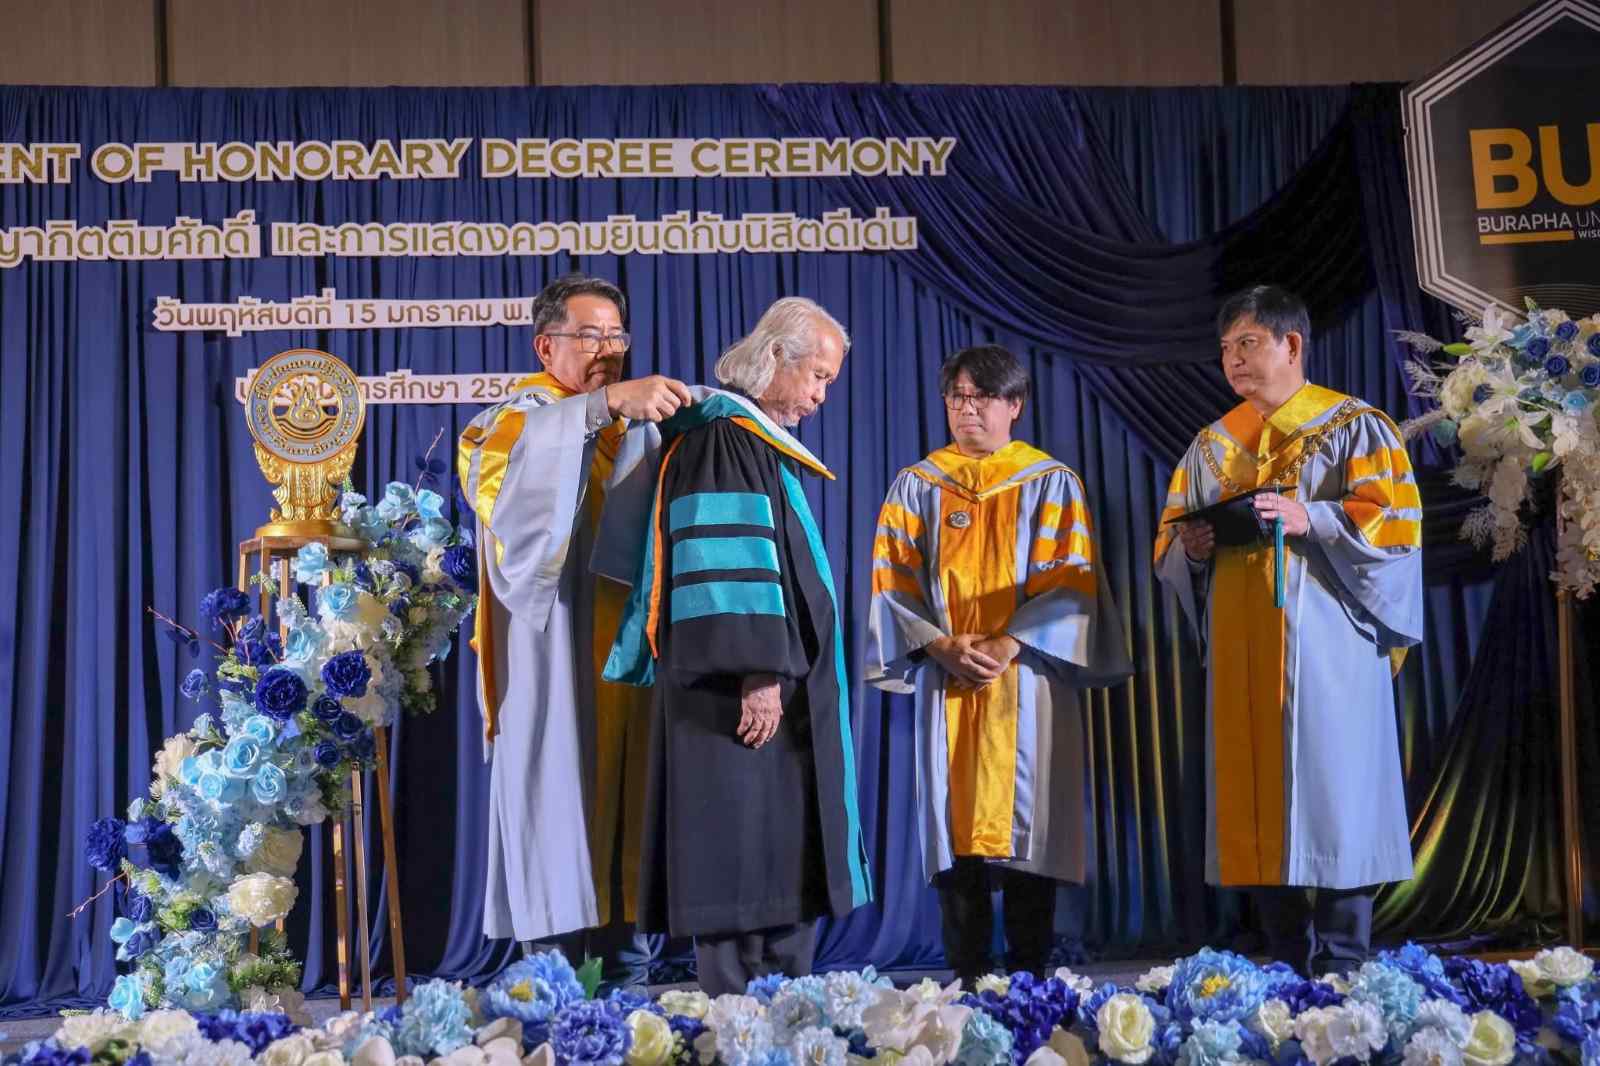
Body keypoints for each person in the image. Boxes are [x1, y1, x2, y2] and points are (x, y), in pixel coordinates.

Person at [601, 296, 872, 996]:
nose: (821, 395)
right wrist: (759, 671)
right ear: (776, 356)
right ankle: (742, 1011)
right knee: (741, 848)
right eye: (818, 376)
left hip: (761, 684)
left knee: (770, 846)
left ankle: (777, 1005)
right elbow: (726, 565)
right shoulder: (724, 436)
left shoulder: (746, 438)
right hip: (737, 693)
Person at [1153, 284, 1422, 975]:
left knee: (1335, 795)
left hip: (1329, 641)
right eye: (1226, 348)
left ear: (1292, 344)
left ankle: (1343, 965)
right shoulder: (1213, 446)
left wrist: (1314, 517)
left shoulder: (1355, 426)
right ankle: (1280, 965)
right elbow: (1171, 536)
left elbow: (1395, 523)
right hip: (1243, 645)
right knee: (1255, 803)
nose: (1233, 360)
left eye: (1248, 343)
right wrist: (1192, 547)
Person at [864, 345, 1130, 984]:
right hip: (948, 679)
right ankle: (968, 977)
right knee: (955, 837)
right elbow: (892, 582)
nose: (968, 409)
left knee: (1030, 831)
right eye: (957, 396)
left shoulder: (1049, 482)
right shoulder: (918, 485)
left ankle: (1031, 979)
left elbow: (1070, 579)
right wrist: (937, 644)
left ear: (1015, 405)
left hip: (1028, 678)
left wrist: (1010, 642)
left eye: (983, 397)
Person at [457, 272, 692, 946]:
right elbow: (507, 498)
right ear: (545, 345)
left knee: (632, 805)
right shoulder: (507, 423)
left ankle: (629, 958)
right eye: (590, 336)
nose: (609, 351)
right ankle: (554, 966)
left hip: (630, 653)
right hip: (552, 651)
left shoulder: (633, 427)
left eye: (617, 337)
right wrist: (604, 404)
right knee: (560, 791)